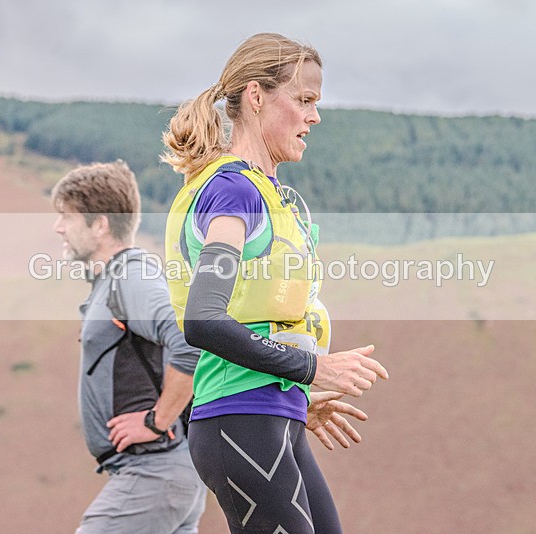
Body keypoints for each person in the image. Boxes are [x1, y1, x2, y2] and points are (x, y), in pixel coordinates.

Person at [162, 33, 389, 533]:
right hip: (238, 419)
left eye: (317, 103)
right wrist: (312, 368)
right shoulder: (232, 191)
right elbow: (204, 319)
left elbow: (264, 313)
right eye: (304, 100)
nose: (315, 116)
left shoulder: (265, 195)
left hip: (273, 415)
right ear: (257, 96)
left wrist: (298, 394)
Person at [51, 161, 207, 533]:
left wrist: (157, 421)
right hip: (159, 474)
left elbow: (191, 339)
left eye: (68, 217)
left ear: (100, 224)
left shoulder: (131, 278)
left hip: (154, 473)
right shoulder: (116, 280)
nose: (58, 227)